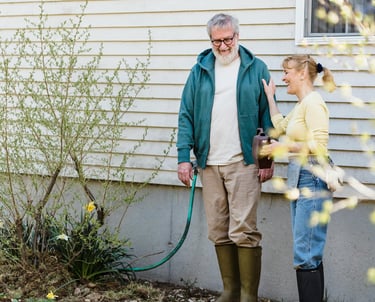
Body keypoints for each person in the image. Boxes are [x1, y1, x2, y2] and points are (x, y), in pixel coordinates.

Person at [177, 13, 274, 302]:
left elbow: (267, 116)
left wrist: (266, 160)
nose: (222, 46)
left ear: (238, 36)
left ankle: (248, 296)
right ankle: (230, 291)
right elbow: (186, 115)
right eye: (216, 41)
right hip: (209, 163)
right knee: (219, 230)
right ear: (211, 41)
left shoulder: (256, 68)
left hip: (244, 162)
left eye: (227, 39)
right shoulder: (200, 71)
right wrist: (185, 157)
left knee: (244, 230)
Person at [261, 54, 336, 302]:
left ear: (302, 72)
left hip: (312, 179)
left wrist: (281, 149)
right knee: (307, 252)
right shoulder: (302, 105)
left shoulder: (314, 103)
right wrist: (271, 97)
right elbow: (279, 126)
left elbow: (319, 146)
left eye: (286, 72)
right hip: (300, 179)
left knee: (306, 254)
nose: (283, 77)